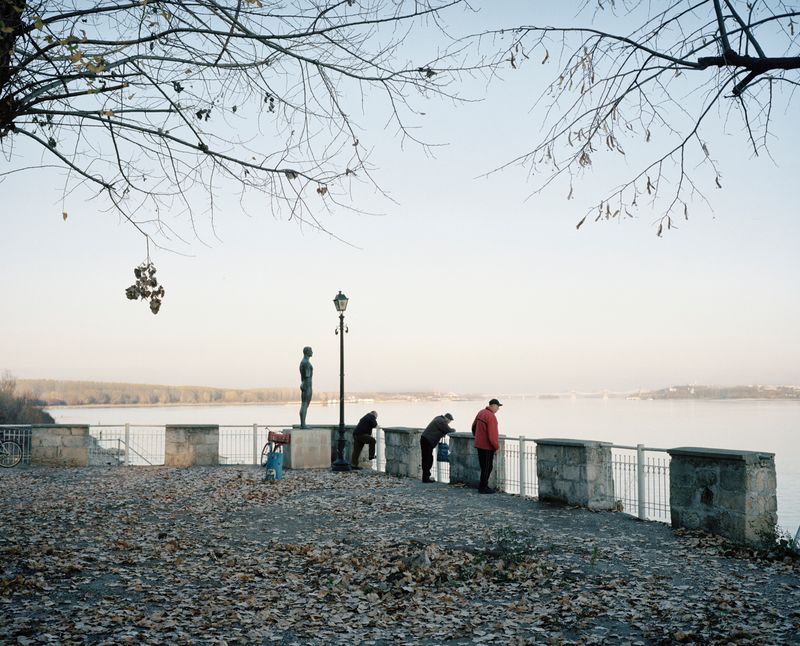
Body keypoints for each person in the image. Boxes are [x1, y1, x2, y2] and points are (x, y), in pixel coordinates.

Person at [471, 398, 502, 493]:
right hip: (487, 446)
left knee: (483, 466)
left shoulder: (481, 412)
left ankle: (483, 486)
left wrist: (477, 437)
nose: (498, 409)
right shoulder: (491, 416)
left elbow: (473, 426)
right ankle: (483, 487)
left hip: (479, 444)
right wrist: (496, 447)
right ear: (493, 405)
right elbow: (492, 434)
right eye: (497, 407)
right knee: (487, 467)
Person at [420, 413, 455, 483]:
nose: (449, 423)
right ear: (447, 418)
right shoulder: (441, 421)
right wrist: (454, 430)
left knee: (428, 459)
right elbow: (449, 430)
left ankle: (426, 477)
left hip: (425, 440)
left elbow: (442, 430)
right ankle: (425, 478)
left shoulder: (438, 418)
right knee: (427, 460)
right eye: (449, 421)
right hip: (427, 441)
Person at [299, 346, 313, 428]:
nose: (312, 352)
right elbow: (307, 376)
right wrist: (308, 387)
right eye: (311, 351)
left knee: (304, 405)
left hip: (304, 384)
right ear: (307, 352)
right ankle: (303, 424)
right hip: (307, 385)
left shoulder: (303, 362)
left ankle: (303, 424)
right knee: (304, 404)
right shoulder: (306, 363)